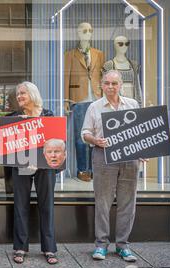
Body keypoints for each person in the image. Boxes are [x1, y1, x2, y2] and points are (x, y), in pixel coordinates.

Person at [81, 70, 144, 262]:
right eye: (107, 83)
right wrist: (95, 140)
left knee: (127, 203)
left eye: (114, 83)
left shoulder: (132, 104)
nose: (110, 87)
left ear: (121, 85)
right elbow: (84, 133)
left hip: (130, 158)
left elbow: (140, 131)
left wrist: (144, 150)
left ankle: (123, 246)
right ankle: (101, 245)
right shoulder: (94, 106)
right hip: (103, 156)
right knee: (103, 202)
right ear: (101, 84)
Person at [10, 81, 58, 265]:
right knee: (20, 205)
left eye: (22, 93)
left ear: (32, 94)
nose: (19, 97)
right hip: (21, 165)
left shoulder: (48, 115)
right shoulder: (15, 117)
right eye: (17, 94)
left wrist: (38, 162)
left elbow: (55, 142)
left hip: (44, 167)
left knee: (47, 206)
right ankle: (20, 247)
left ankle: (50, 249)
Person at [64, 22, 105, 182]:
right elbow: (65, 77)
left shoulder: (99, 54)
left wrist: (105, 98)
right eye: (83, 30)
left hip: (97, 98)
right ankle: (83, 169)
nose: (87, 33)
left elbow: (102, 76)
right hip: (78, 99)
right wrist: (66, 100)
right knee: (81, 136)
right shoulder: (69, 55)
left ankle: (96, 168)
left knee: (98, 135)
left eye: (89, 30)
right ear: (77, 33)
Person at [102, 35, 143, 105]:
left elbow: (137, 85)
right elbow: (105, 86)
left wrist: (140, 101)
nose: (124, 46)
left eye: (127, 44)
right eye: (121, 44)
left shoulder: (134, 65)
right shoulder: (109, 65)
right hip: (114, 100)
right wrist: (105, 103)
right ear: (115, 45)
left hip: (131, 99)